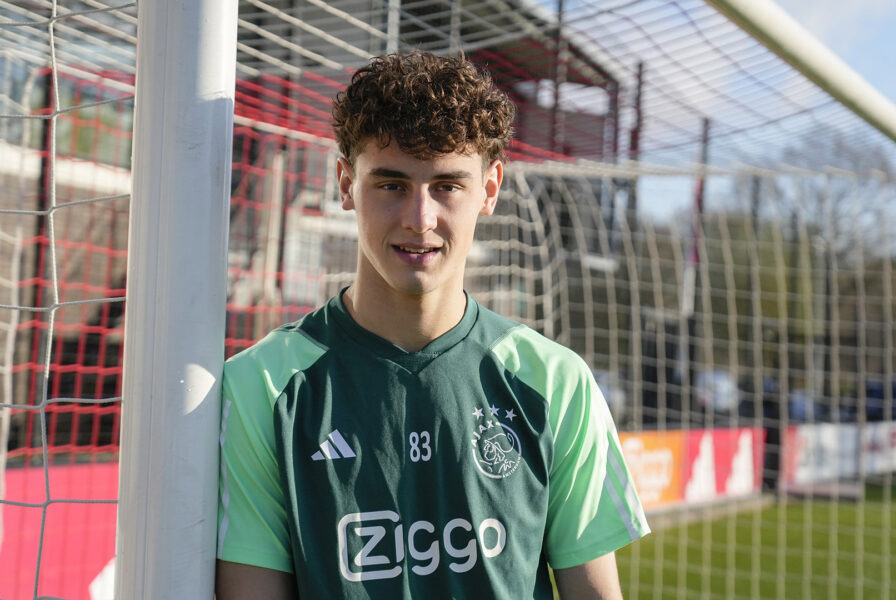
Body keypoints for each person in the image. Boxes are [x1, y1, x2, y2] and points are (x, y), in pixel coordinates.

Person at [215, 50, 649, 600]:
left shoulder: (555, 382)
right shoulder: (261, 387)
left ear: (489, 189)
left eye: (447, 186)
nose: (419, 219)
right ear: (346, 183)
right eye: (391, 184)